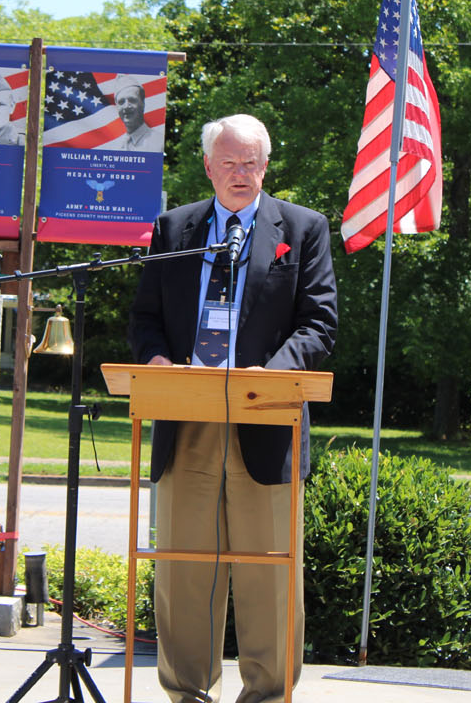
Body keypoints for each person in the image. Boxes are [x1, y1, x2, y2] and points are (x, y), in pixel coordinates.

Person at [128, 113, 338, 703]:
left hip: (265, 420)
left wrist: (267, 376)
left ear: (266, 166)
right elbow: (145, 319)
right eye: (229, 163)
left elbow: (319, 323)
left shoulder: (303, 228)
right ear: (208, 166)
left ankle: (267, 697)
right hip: (185, 417)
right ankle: (186, 694)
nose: (240, 174)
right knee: (183, 571)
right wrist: (160, 362)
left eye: (251, 163)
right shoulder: (175, 228)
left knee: (268, 573)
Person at [113, 80, 163, 152]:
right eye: (121, 102)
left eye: (132, 100)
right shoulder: (115, 146)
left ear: (143, 103)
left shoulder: (159, 143)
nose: (126, 106)